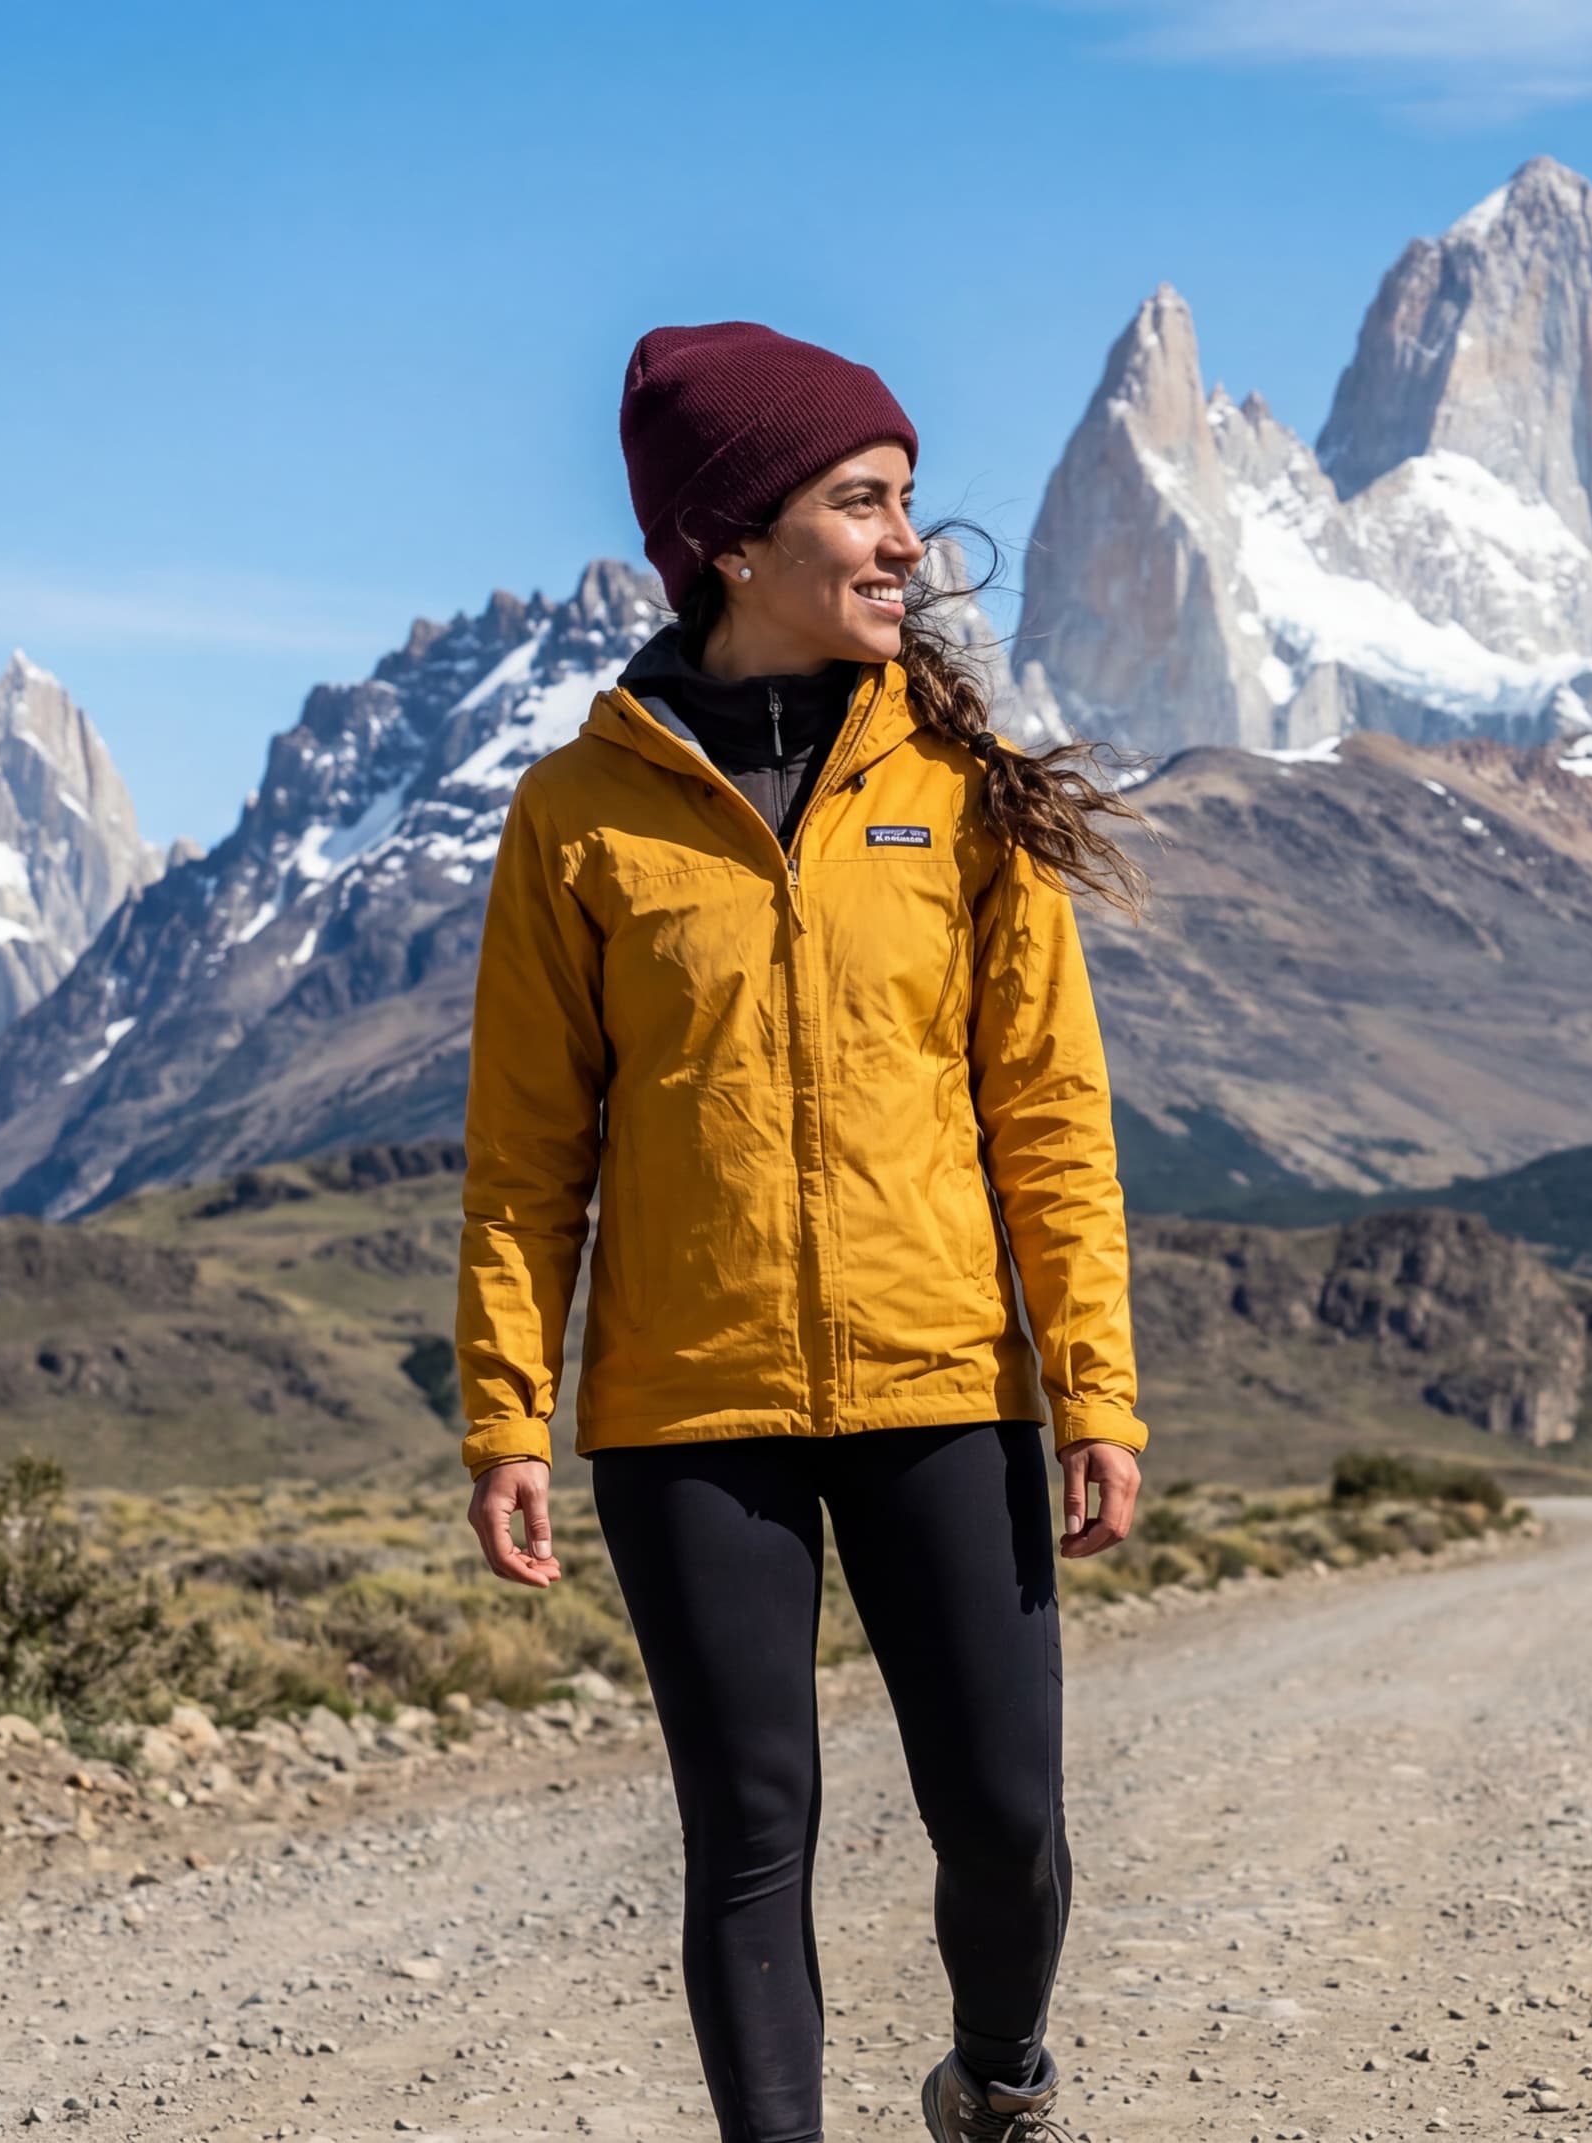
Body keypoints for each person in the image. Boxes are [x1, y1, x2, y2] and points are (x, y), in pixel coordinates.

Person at [453, 319, 1150, 2143]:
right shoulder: (577, 817)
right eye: (864, 502)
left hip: (942, 1378)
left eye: (907, 501)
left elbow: (1050, 1122)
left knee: (1008, 1820)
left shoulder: (957, 789)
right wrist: (506, 1415)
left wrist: (1095, 1386)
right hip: (691, 1413)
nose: (908, 543)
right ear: (734, 541)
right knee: (752, 1836)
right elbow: (529, 1157)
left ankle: (996, 2077)